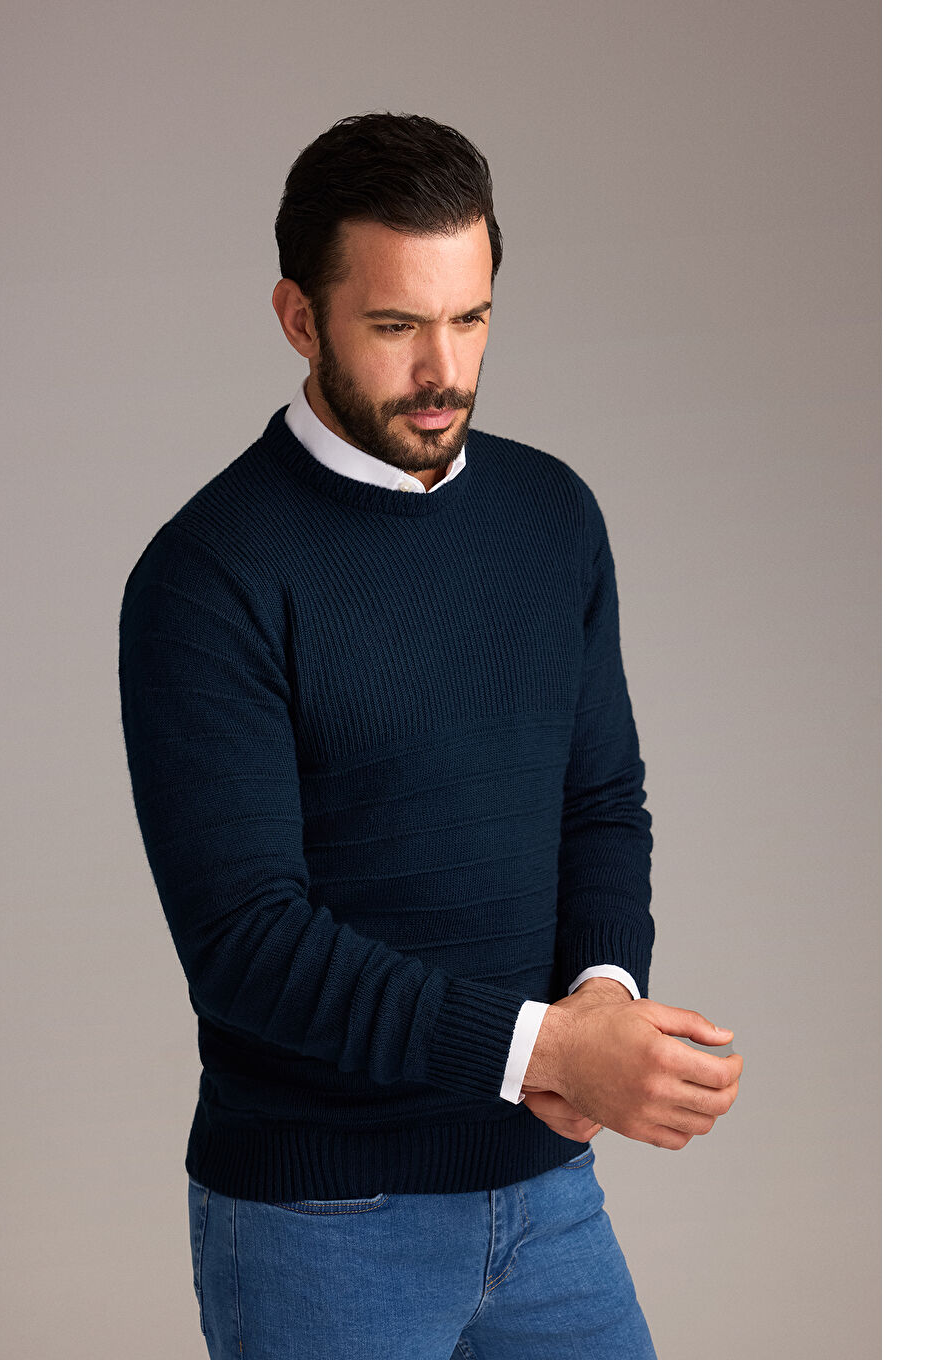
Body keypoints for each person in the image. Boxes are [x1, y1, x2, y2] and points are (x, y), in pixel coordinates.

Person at [118, 111, 743, 1359]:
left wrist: (601, 1000)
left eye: (472, 318)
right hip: (319, 1221)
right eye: (397, 325)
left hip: (547, 1193)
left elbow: (598, 802)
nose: (443, 368)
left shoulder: (553, 515)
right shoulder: (206, 577)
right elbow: (246, 942)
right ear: (300, 318)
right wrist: (546, 1048)